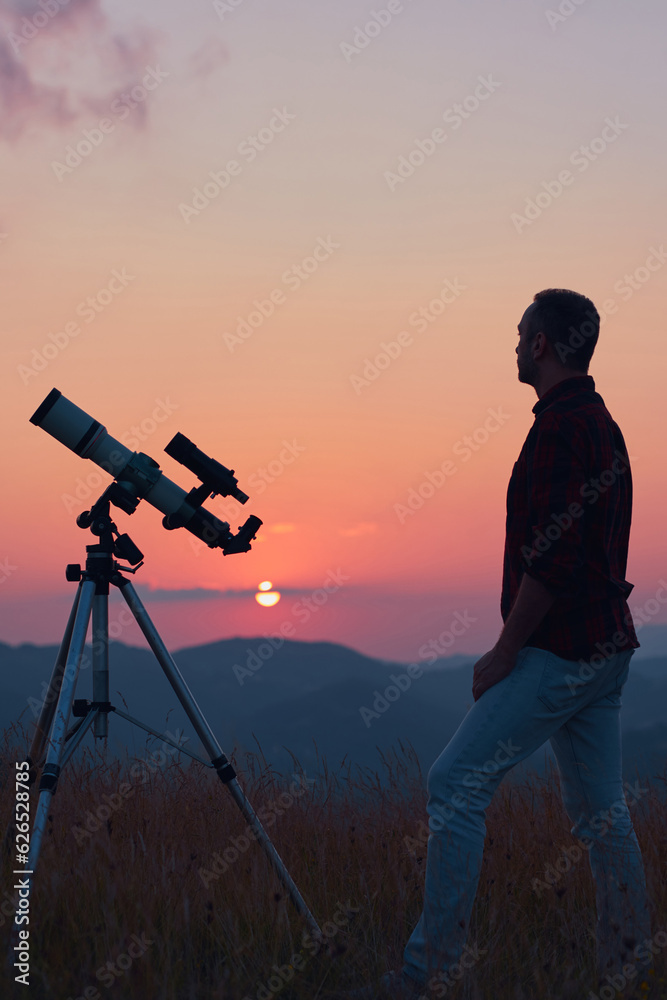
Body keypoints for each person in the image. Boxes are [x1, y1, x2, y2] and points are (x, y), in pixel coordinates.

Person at [346, 289, 653, 1000]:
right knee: (602, 814)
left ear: (543, 345)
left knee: (454, 783)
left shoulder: (556, 430)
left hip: (559, 652)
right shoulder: (602, 423)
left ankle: (429, 974)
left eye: (520, 336)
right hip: (607, 652)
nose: (514, 347)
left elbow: (553, 558)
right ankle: (631, 967)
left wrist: (505, 650)